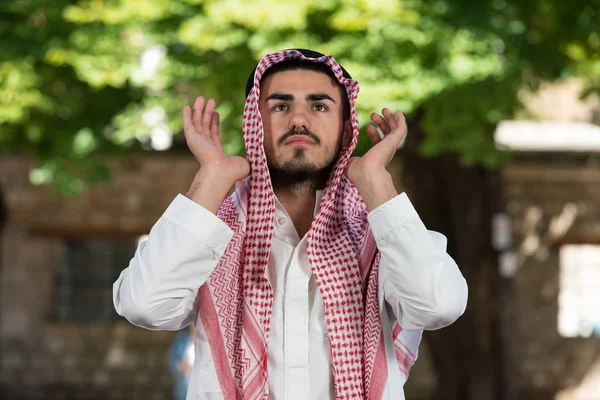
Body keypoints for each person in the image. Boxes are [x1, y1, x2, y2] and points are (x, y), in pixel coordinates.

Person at [113, 49, 468, 400]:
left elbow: (438, 306)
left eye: (319, 106)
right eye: (280, 106)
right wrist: (211, 178)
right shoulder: (210, 229)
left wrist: (376, 181)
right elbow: (145, 306)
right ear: (255, 123)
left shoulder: (381, 230)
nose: (299, 120)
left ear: (347, 131)